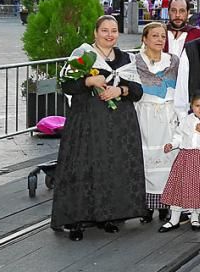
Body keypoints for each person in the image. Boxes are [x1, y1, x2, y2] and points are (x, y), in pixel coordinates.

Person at [52, 16, 147, 241]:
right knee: (83, 166)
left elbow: (137, 90)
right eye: (104, 30)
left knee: (111, 167)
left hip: (117, 126)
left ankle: (108, 215)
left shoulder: (126, 58)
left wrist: (120, 91)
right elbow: (66, 84)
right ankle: (76, 220)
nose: (109, 34)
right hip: (86, 123)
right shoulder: (83, 55)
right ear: (95, 33)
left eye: (113, 30)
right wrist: (88, 82)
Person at [133, 22, 181, 222]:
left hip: (168, 115)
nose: (160, 40)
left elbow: (181, 87)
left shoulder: (174, 61)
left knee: (169, 158)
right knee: (146, 158)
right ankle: (146, 206)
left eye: (163, 36)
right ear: (144, 38)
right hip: (146, 114)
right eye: (155, 36)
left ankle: (166, 203)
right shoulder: (135, 61)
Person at [159, 91, 200, 231]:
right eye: (197, 106)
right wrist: (172, 145)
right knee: (180, 188)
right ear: (191, 106)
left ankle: (195, 218)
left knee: (197, 189)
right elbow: (179, 136)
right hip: (186, 159)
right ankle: (174, 219)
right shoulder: (187, 120)